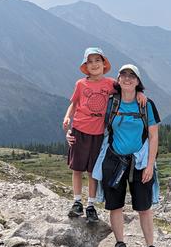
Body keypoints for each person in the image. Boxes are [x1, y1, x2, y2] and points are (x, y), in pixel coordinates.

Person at [62, 47, 146, 223]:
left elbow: (126, 88)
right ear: (85, 66)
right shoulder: (80, 84)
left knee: (93, 171)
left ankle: (91, 205)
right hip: (79, 129)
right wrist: (67, 117)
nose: (94, 64)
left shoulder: (110, 84)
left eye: (97, 60)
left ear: (104, 64)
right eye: (90, 61)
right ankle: (77, 202)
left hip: (99, 133)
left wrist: (139, 92)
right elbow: (75, 103)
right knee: (77, 169)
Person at [101, 64, 162, 247]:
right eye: (123, 75)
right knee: (115, 206)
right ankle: (120, 244)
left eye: (132, 76)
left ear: (138, 82)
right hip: (114, 160)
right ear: (118, 80)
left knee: (144, 207)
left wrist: (150, 165)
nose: (127, 79)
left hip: (140, 162)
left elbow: (153, 137)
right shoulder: (111, 103)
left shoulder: (146, 105)